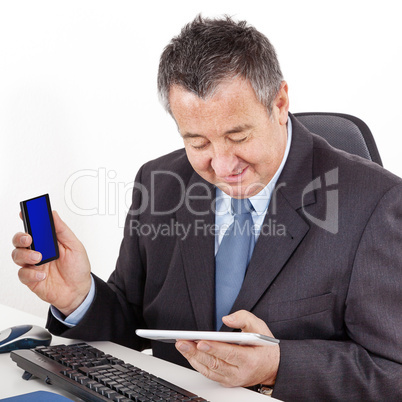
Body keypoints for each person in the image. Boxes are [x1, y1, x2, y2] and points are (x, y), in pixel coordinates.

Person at [12, 15, 402, 401]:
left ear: (280, 103)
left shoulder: (375, 203)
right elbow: (128, 325)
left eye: (238, 135)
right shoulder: (160, 182)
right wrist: (78, 297)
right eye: (198, 143)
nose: (222, 166)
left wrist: (277, 366)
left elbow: (393, 372)